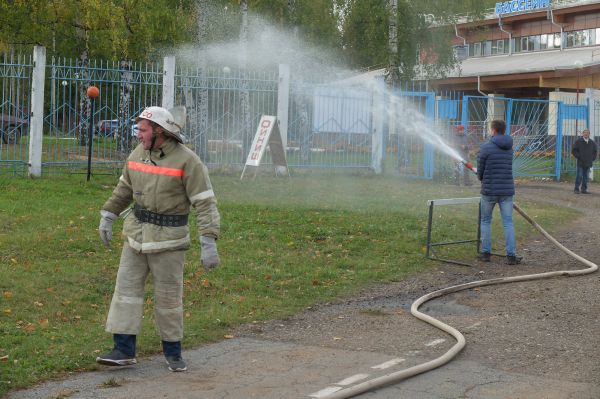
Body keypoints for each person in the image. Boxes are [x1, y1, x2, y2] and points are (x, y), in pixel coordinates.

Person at [96, 106, 220, 372]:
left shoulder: (188, 161)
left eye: (142, 129)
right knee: (125, 293)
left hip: (169, 242)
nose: (138, 134)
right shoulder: (137, 154)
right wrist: (108, 214)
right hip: (135, 236)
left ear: (159, 132)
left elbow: (205, 203)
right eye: (138, 129)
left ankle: (173, 353)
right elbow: (124, 190)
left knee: (168, 298)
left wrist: (208, 241)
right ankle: (123, 350)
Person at [477, 119, 519, 265]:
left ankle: (486, 254)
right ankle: (511, 256)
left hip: (489, 191)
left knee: (486, 221)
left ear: (493, 130)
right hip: (507, 191)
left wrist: (480, 177)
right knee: (508, 222)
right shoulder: (509, 147)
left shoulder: (486, 147)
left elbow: (480, 169)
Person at [571, 128, 597, 194]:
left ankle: (584, 189)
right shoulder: (578, 141)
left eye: (587, 133)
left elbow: (595, 151)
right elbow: (574, 150)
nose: (586, 134)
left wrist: (592, 158)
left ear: (589, 134)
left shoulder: (592, 142)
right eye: (584, 132)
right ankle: (576, 189)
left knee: (586, 177)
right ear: (582, 134)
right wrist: (579, 156)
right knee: (579, 175)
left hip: (588, 162)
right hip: (581, 162)